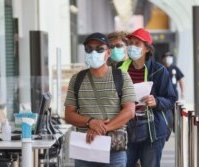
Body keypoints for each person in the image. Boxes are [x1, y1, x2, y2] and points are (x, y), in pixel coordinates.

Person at [64, 32, 136, 167]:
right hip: (85, 148)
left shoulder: (121, 76)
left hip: (114, 149)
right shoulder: (77, 79)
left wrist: (100, 129)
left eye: (99, 49)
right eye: (89, 49)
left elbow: (130, 111)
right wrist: (90, 121)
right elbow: (69, 115)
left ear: (108, 53)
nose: (94, 53)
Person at [119, 28, 177, 167]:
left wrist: (156, 101)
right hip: (126, 128)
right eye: (130, 43)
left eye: (137, 44)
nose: (132, 46)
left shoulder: (158, 70)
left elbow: (171, 98)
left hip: (153, 130)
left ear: (147, 49)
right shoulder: (119, 70)